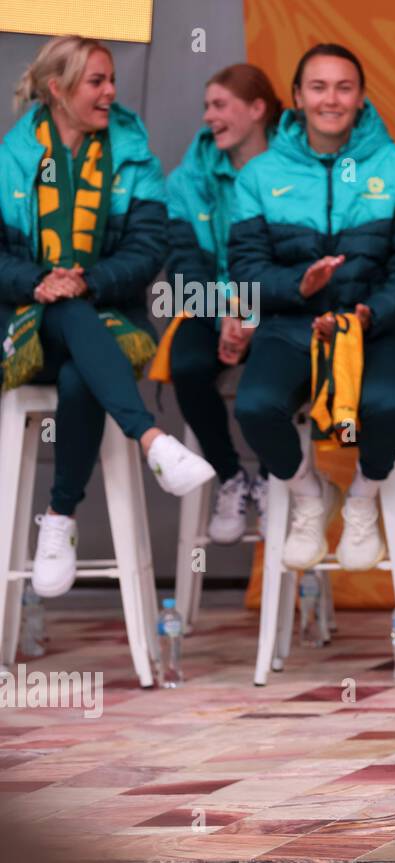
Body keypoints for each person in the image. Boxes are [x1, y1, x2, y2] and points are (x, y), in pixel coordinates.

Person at [0, 35, 215, 599]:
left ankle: (59, 517)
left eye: (111, 79)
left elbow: (149, 250)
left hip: (107, 324)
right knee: (67, 312)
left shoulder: (134, 156)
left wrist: (87, 280)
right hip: (25, 330)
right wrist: (37, 282)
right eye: (96, 82)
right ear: (58, 89)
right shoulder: (11, 159)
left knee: (81, 372)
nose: (111, 92)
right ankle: (150, 439)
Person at [229, 43, 395, 571]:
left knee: (390, 406)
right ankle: (309, 496)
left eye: (344, 87)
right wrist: (299, 287)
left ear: (361, 97)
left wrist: (366, 315)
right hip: (292, 326)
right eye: (318, 87)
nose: (331, 99)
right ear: (297, 97)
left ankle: (363, 500)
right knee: (254, 407)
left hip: (376, 329)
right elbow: (247, 270)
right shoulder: (258, 175)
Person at [159, 64, 281, 544]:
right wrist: (225, 314)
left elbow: (302, 261)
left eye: (220, 105)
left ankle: (275, 479)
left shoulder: (294, 169)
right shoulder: (187, 181)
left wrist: (252, 315)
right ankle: (231, 478)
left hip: (277, 308)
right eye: (207, 106)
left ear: (257, 109)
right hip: (215, 305)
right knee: (185, 363)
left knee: (273, 374)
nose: (209, 116)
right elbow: (183, 268)